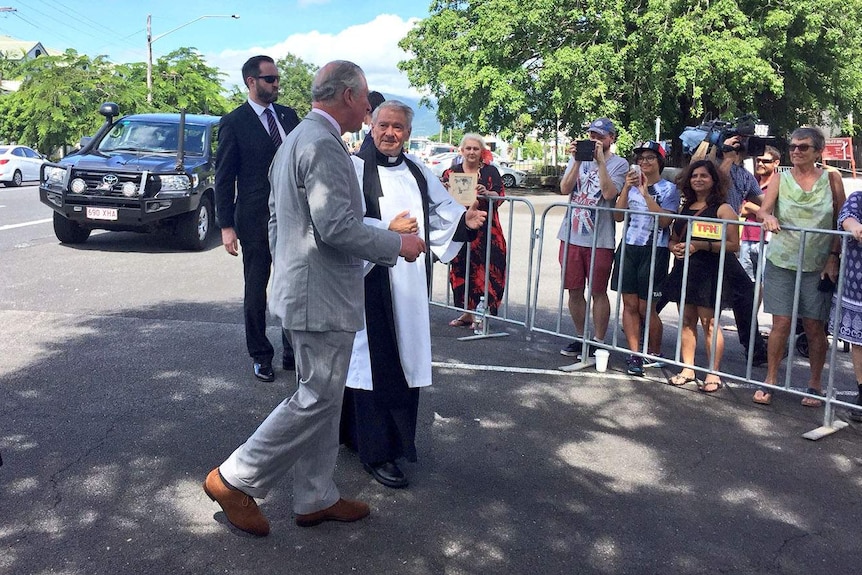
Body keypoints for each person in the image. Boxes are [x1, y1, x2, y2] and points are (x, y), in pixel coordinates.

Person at [203, 61, 426, 536]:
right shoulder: (322, 144)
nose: (369, 109)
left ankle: (315, 496)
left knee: (322, 399)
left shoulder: (297, 138)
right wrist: (396, 244)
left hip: (307, 290)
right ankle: (235, 478)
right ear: (347, 96)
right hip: (319, 296)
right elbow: (337, 227)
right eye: (366, 100)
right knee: (315, 398)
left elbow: (279, 217)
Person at [341, 100, 486, 488]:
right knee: (371, 364)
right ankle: (375, 451)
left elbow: (443, 211)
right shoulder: (353, 168)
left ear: (407, 132)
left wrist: (464, 220)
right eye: (384, 125)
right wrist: (385, 228)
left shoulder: (417, 169)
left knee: (401, 361)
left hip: (409, 283)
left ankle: (380, 440)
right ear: (371, 125)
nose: (390, 133)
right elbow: (340, 221)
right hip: (369, 280)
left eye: (399, 128)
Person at [214, 55, 301, 382]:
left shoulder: (289, 116)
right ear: (251, 81)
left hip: (292, 217)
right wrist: (226, 226)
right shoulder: (234, 122)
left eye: (277, 78)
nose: (276, 83)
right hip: (254, 220)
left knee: (293, 285)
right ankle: (261, 354)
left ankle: (293, 350)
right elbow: (224, 177)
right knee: (256, 290)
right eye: (270, 79)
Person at [753, 127, 843, 406]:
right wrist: (767, 217)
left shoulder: (832, 178)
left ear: (818, 151)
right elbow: (763, 209)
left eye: (803, 147)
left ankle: (814, 385)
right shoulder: (780, 178)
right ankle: (770, 380)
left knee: (814, 326)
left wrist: (833, 256)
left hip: (818, 264)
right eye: (792, 146)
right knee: (780, 323)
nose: (795, 151)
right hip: (782, 260)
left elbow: (841, 218)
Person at [661, 160, 739, 392]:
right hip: (685, 271)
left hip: (710, 272)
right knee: (686, 321)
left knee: (710, 323)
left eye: (704, 176)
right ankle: (688, 368)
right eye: (694, 176)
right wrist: (673, 247)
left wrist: (701, 245)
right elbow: (673, 238)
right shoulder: (686, 208)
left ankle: (713, 373)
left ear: (714, 180)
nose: (698, 179)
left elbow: (734, 245)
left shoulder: (724, 209)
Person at [557, 118, 628, 359]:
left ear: (611, 138)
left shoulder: (619, 163)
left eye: (600, 136)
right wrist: (577, 161)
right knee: (574, 289)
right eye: (591, 135)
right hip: (571, 234)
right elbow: (565, 189)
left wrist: (600, 163)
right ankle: (580, 336)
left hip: (600, 238)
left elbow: (609, 193)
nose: (594, 140)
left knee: (598, 290)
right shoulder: (577, 159)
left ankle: (598, 340)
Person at [611, 141, 680, 376]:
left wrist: (645, 193)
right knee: (629, 304)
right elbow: (619, 217)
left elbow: (664, 222)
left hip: (655, 250)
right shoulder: (629, 186)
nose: (644, 162)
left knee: (646, 307)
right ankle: (634, 354)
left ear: (660, 161)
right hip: (630, 247)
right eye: (640, 158)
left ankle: (655, 351)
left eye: (650, 157)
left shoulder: (669, 189)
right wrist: (626, 190)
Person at [715, 135, 769, 365]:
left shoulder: (746, 176)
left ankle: (755, 349)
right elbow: (713, 184)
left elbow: (764, 200)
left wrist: (762, 211)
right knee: (677, 288)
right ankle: (646, 327)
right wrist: (726, 154)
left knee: (744, 292)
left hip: (726, 244)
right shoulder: (711, 166)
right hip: (700, 237)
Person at [443, 134, 508, 328]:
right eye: (468, 148)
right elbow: (442, 199)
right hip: (461, 228)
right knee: (461, 269)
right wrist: (445, 190)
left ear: (482, 152)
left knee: (489, 270)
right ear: (461, 151)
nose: (472, 152)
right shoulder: (451, 172)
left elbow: (500, 195)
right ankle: (467, 313)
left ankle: (484, 314)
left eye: (476, 149)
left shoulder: (491, 172)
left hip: (488, 230)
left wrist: (487, 193)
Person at [833, 191, 862, 421]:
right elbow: (846, 216)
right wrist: (855, 228)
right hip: (858, 285)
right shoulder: (858, 197)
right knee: (859, 342)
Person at [739, 145, 780, 282]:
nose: (760, 163)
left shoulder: (780, 183)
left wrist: (751, 206)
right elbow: (742, 210)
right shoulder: (751, 181)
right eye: (758, 160)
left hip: (768, 239)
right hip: (747, 237)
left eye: (766, 161)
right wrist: (762, 210)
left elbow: (777, 212)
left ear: (776, 163)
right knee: (746, 283)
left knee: (765, 282)